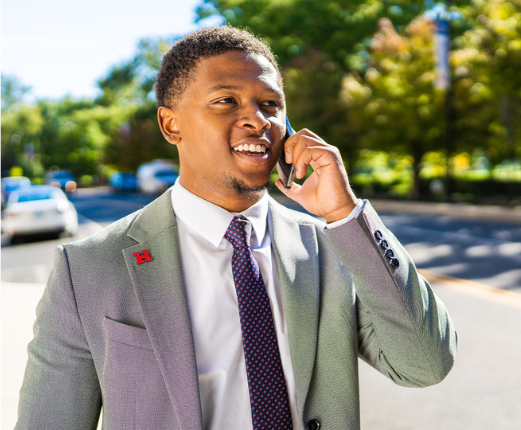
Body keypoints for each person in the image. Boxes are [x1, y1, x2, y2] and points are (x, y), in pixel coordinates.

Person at [15, 26, 457, 430]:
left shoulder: (334, 247)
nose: (257, 119)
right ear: (171, 124)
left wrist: (343, 213)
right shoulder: (87, 269)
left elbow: (424, 364)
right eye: (226, 101)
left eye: (271, 104)